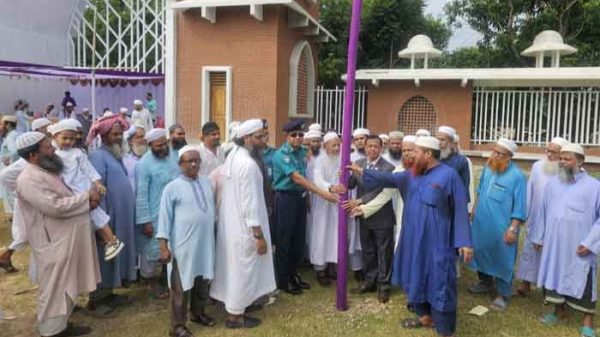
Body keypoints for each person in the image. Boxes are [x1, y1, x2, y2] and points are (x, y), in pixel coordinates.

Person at [347, 136, 472, 337]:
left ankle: (445, 330)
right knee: (415, 275)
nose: (411, 155)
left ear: (428, 154)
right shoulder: (411, 174)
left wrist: (464, 242)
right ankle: (424, 317)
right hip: (413, 239)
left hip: (438, 242)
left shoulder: (449, 176)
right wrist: (360, 170)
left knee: (439, 282)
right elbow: (387, 178)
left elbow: (459, 209)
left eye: (415, 152)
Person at [16, 131, 100, 337]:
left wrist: (87, 202)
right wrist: (84, 198)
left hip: (66, 239)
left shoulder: (44, 171)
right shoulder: (28, 178)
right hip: (51, 242)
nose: (53, 148)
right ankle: (51, 331)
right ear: (33, 155)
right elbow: (53, 206)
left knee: (67, 283)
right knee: (54, 287)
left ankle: (61, 324)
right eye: (47, 146)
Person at [210, 119, 276, 328]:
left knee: (236, 268)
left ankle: (239, 306)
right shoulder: (247, 164)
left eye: (264, 136)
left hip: (233, 225)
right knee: (243, 270)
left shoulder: (235, 157)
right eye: (258, 137)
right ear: (246, 138)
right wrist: (258, 235)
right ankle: (235, 316)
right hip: (246, 228)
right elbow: (250, 203)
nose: (263, 141)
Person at [531, 143, 600, 337]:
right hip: (554, 244)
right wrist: (539, 236)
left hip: (580, 244)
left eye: (566, 159)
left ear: (580, 161)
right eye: (561, 158)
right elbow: (543, 212)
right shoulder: (553, 183)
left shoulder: (594, 187)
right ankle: (558, 312)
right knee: (554, 275)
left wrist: (591, 242)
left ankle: (587, 321)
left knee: (583, 278)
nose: (562, 162)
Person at [272, 119, 338, 295]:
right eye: (294, 135)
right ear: (287, 136)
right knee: (285, 240)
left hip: (300, 198)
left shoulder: (302, 151)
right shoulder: (282, 155)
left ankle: (294, 275)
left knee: (298, 240)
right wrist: (321, 193)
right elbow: (298, 178)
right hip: (285, 199)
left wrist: (308, 196)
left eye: (301, 135)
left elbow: (310, 161)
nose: (297, 138)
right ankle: (284, 280)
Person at [157, 146, 216, 337]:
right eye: (189, 161)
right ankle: (177, 327)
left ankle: (198, 313)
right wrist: (164, 247)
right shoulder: (172, 188)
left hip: (205, 244)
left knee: (202, 279)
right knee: (180, 287)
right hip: (183, 246)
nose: (194, 164)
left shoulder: (207, 183)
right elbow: (164, 219)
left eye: (197, 160)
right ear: (180, 164)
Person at [49, 120, 124, 260]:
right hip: (67, 191)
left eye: (71, 139)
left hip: (80, 187)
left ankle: (112, 241)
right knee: (89, 219)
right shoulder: (53, 155)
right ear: (55, 137)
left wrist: (97, 183)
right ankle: (107, 240)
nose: (68, 142)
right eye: (64, 138)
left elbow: (88, 169)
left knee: (96, 215)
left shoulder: (77, 153)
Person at [87, 114, 138, 316]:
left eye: (120, 133)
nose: (118, 137)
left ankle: (109, 293)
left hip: (119, 218)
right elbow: (97, 191)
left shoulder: (114, 155)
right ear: (103, 135)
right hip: (106, 219)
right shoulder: (98, 157)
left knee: (113, 257)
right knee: (103, 258)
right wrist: (103, 223)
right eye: (114, 134)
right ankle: (96, 301)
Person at [469, 138, 527, 311]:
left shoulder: (517, 177)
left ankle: (502, 294)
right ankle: (485, 282)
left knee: (504, 258)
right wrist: (475, 208)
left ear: (509, 157)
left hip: (503, 226)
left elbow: (520, 206)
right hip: (482, 222)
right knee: (481, 251)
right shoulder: (489, 168)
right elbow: (480, 190)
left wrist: (513, 228)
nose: (495, 155)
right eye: (494, 151)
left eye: (500, 154)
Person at [344, 135, 395, 303]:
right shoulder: (359, 164)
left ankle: (384, 286)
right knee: (368, 250)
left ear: (381, 148)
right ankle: (370, 281)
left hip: (382, 217)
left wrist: (360, 201)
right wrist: (343, 177)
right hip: (362, 216)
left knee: (384, 252)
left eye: (375, 146)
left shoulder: (388, 167)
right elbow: (351, 183)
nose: (372, 149)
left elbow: (379, 189)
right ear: (364, 147)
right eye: (369, 146)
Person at [515, 136, 569, 296]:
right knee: (530, 250)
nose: (549, 154)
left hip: (556, 219)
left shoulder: (569, 171)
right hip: (536, 215)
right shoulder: (538, 166)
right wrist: (525, 213)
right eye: (547, 150)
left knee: (550, 252)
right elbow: (530, 189)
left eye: (553, 152)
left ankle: (549, 288)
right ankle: (526, 283)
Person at [136, 128, 179, 298]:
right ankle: (153, 283)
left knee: (170, 246)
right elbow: (141, 193)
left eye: (164, 143)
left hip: (174, 211)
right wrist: (145, 220)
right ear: (150, 145)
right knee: (153, 249)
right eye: (158, 145)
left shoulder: (172, 158)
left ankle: (165, 280)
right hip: (154, 212)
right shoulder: (144, 164)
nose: (162, 147)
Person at [352, 135, 416, 249]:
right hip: (405, 217)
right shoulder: (400, 171)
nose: (406, 153)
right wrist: (364, 208)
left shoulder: (434, 172)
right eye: (404, 150)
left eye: (410, 150)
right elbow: (385, 195)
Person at [309, 132, 346, 286]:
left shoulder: (342, 158)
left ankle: (332, 265)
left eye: (338, 145)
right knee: (321, 233)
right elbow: (318, 180)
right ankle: (320, 269)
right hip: (323, 201)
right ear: (325, 146)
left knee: (334, 234)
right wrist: (331, 187)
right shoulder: (319, 161)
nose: (337, 148)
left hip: (336, 202)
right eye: (334, 145)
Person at [436, 126, 470, 201]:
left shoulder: (461, 161)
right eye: (437, 139)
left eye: (442, 140)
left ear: (451, 142)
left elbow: (464, 187)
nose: (439, 142)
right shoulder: (432, 158)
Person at [1, 115, 20, 219]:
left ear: (8, 124)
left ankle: (13, 215)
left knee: (8, 192)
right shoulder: (15, 134)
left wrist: (8, 160)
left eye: (2, 124)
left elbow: (14, 151)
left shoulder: (11, 136)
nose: (1, 126)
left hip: (8, 169)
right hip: (13, 169)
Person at [123, 122, 147, 192]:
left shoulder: (151, 159)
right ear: (130, 141)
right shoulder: (124, 161)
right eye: (139, 137)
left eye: (143, 136)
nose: (143, 140)